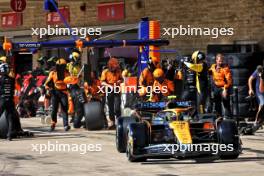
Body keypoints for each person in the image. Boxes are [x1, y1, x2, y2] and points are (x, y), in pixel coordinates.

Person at [45, 58, 71, 131]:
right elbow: (47, 83)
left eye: (63, 66)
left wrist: (73, 82)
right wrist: (48, 89)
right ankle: (53, 123)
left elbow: (70, 82)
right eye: (60, 66)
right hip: (55, 93)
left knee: (65, 108)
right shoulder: (52, 73)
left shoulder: (67, 73)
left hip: (64, 92)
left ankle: (66, 125)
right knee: (54, 109)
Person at [100, 58, 122, 129]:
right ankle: (112, 123)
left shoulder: (118, 71)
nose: (116, 67)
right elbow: (102, 82)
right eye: (115, 66)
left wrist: (119, 81)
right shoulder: (105, 72)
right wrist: (109, 85)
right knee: (111, 107)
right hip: (109, 90)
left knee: (117, 107)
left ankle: (119, 122)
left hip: (117, 89)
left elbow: (122, 79)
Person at [209, 53, 232, 117]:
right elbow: (209, 72)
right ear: (216, 60)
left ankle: (228, 117)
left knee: (226, 103)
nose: (220, 62)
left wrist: (225, 89)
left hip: (223, 87)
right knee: (217, 104)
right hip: (216, 88)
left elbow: (228, 80)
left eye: (221, 61)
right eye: (219, 61)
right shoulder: (213, 66)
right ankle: (219, 117)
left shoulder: (225, 68)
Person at [0, 62, 16, 140]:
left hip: (2, 100)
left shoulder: (0, 79)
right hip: (10, 100)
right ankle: (9, 135)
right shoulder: (12, 79)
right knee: (10, 118)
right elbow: (13, 89)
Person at [248, 65, 264, 130]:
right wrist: (250, 89)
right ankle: (256, 122)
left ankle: (260, 121)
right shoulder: (258, 70)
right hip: (260, 91)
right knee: (262, 104)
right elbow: (250, 79)